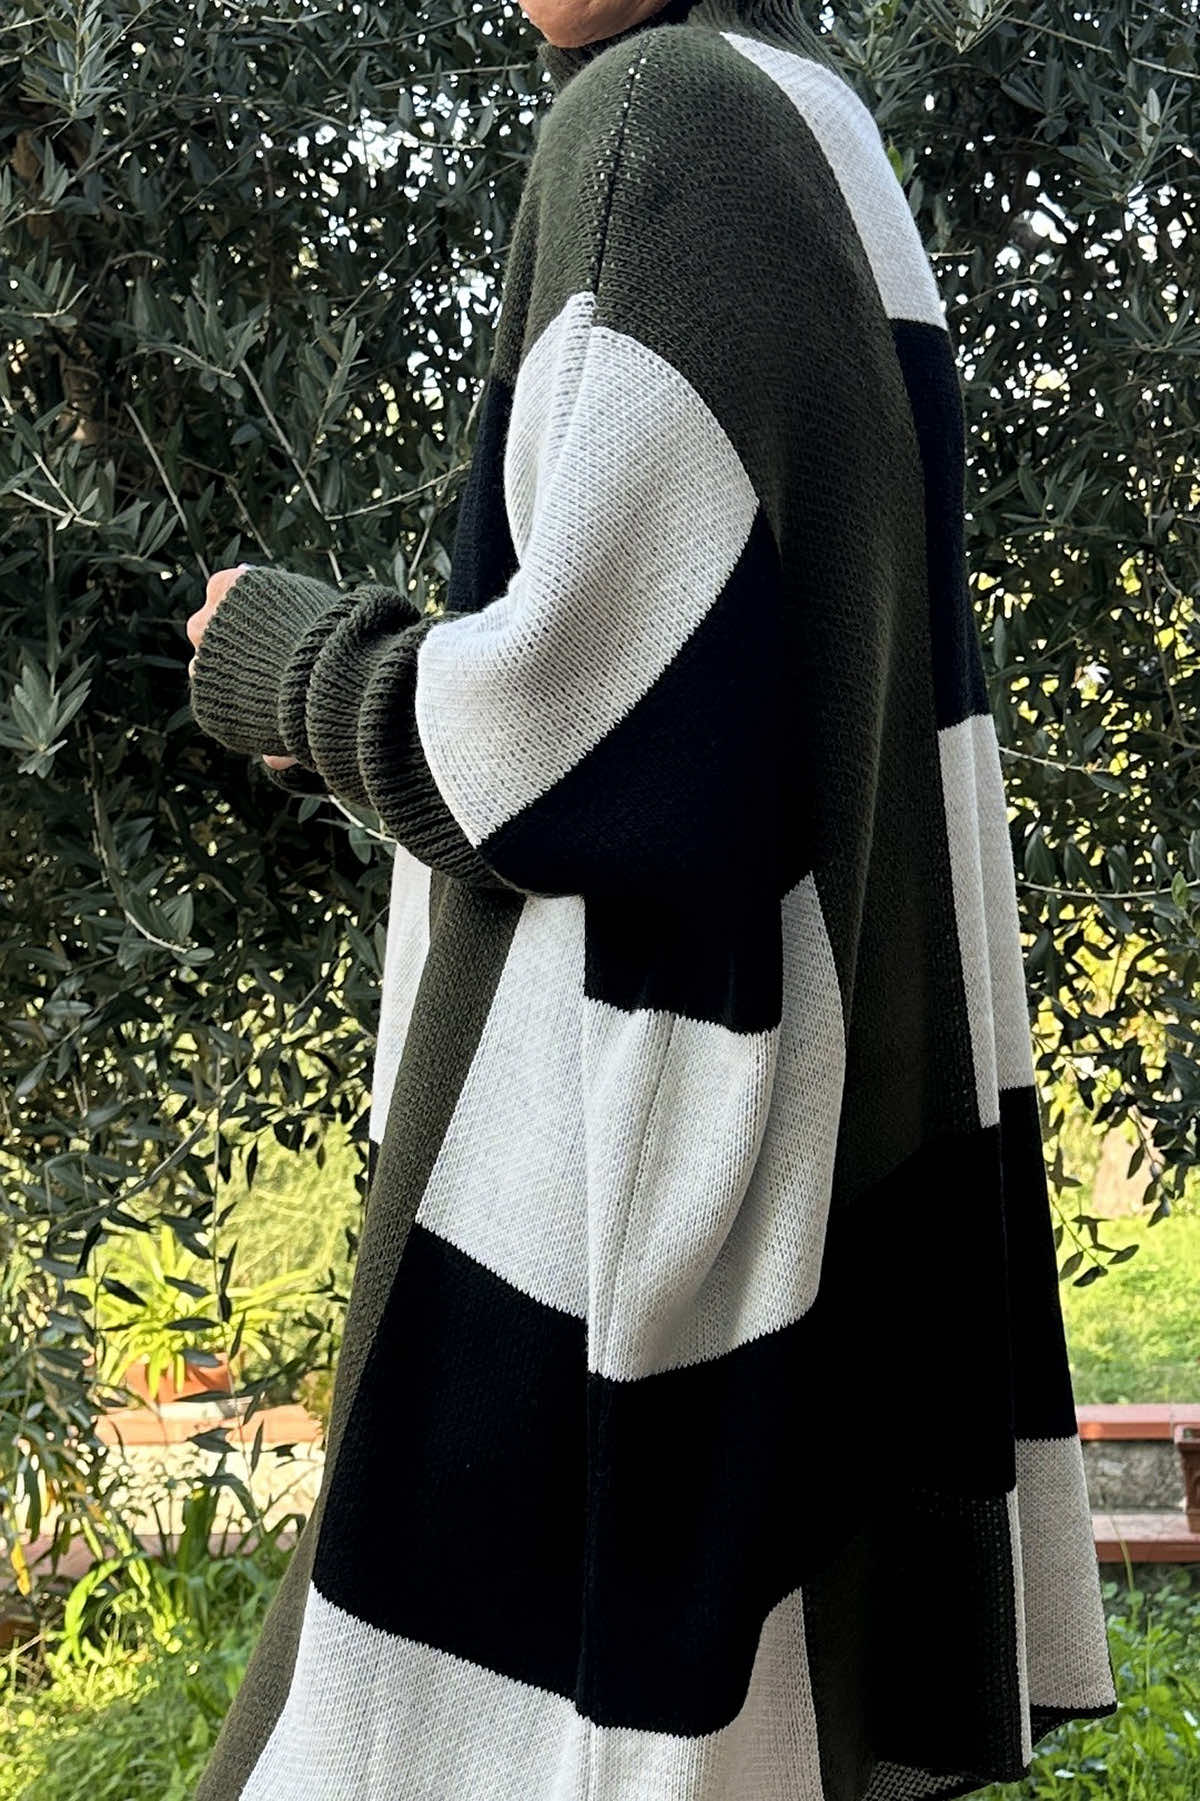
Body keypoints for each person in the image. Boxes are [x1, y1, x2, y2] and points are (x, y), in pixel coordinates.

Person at [186, 1, 1119, 1796]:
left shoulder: (659, 117)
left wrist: (295, 666)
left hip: (626, 1170)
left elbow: (582, 733)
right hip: (825, 1118)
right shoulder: (820, 122)